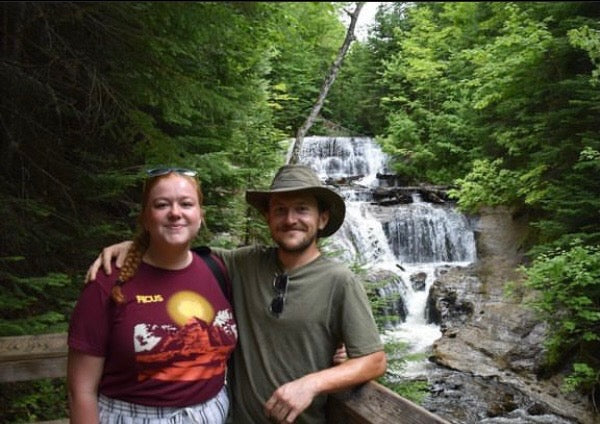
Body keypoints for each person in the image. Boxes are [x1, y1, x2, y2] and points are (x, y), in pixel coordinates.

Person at [87, 164, 387, 424]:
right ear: (268, 218)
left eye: (302, 209)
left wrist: (311, 384)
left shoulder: (340, 281)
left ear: (321, 219)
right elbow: (174, 249)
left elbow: (373, 360)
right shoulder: (240, 263)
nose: (290, 218)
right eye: (280, 210)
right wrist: (134, 245)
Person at [68, 168, 237, 424]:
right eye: (161, 205)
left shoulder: (218, 269)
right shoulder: (109, 281)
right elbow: (81, 391)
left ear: (200, 216)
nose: (175, 213)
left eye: (186, 204)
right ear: (146, 218)